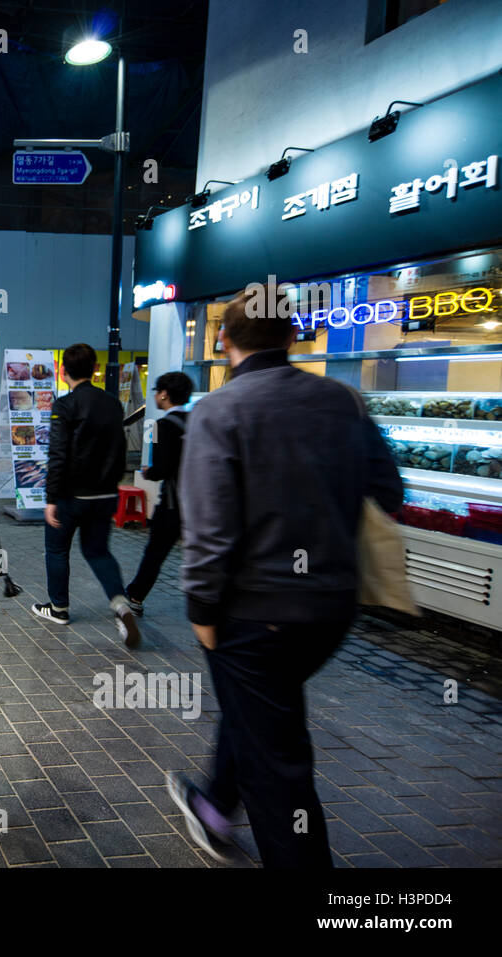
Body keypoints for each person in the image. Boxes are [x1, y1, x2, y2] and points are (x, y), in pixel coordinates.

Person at [168, 287, 402, 868]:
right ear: (294, 337)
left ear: (223, 340)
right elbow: (390, 492)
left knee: (279, 772)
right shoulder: (342, 401)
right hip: (332, 609)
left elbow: (210, 529)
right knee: (258, 709)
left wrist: (200, 613)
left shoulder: (219, 411)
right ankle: (215, 807)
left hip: (255, 614)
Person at [32, 343, 141, 647]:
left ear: (62, 371)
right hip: (105, 495)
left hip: (71, 497)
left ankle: (58, 608)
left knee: (56, 550)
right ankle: (120, 604)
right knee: (98, 552)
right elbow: (120, 449)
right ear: (95, 369)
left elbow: (57, 455)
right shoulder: (112, 404)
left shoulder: (65, 406)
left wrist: (51, 498)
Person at [123, 371, 194, 615]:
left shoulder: (161, 426)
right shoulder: (197, 420)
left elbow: (160, 468)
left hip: (173, 503)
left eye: (156, 391)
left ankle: (135, 596)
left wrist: (148, 472)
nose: (154, 395)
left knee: (155, 552)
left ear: (164, 394)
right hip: (201, 502)